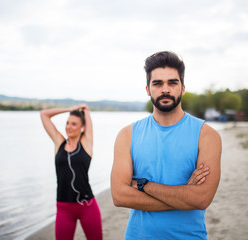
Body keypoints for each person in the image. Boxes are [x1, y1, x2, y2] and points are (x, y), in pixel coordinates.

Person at [111, 51, 221, 239]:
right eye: (157, 83)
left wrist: (142, 185)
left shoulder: (206, 135)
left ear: (183, 88)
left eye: (172, 82)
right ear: (148, 89)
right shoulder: (127, 135)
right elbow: (120, 196)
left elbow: (202, 199)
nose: (165, 89)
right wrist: (184, 196)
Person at [40, 105, 102, 240]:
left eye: (74, 124)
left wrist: (85, 110)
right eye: (67, 123)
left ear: (82, 128)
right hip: (64, 207)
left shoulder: (86, 143)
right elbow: (44, 114)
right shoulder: (59, 143)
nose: (68, 126)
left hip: (87, 206)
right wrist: (69, 109)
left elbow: (87, 113)